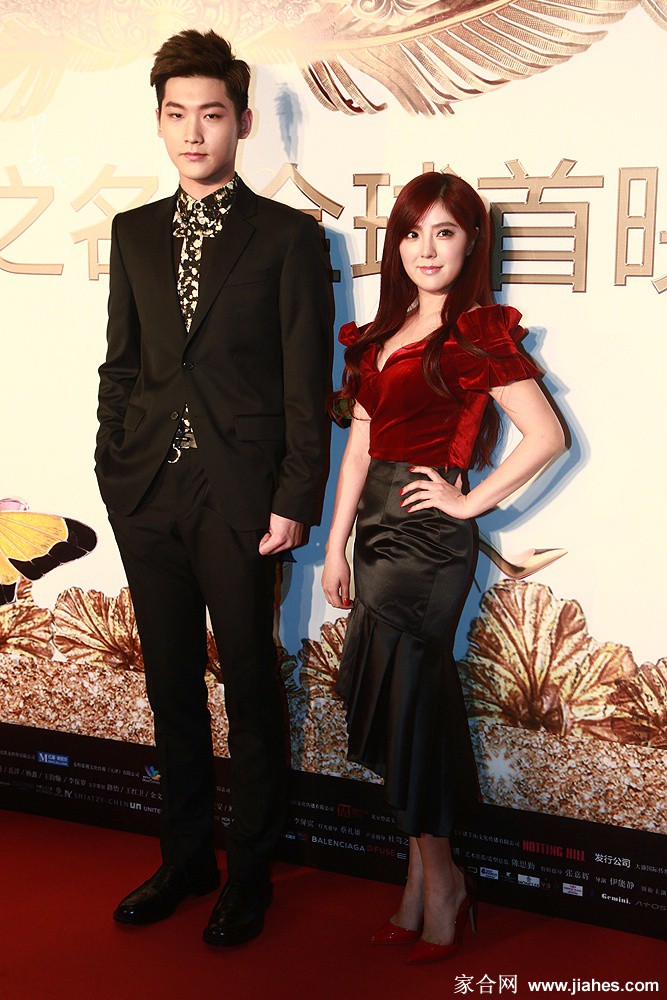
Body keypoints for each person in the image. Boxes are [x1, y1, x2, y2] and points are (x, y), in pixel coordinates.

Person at [95, 29, 332, 946]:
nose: (193, 132)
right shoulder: (132, 232)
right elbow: (122, 365)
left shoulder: (288, 237)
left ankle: (251, 871)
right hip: (148, 493)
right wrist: (114, 468)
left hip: (241, 500)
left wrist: (294, 498)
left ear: (241, 123)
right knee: (169, 687)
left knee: (249, 689)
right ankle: (186, 857)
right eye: (177, 114)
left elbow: (304, 382)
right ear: (159, 123)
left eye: (211, 114)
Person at [322, 171, 564, 964]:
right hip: (374, 534)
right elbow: (359, 446)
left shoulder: (474, 337)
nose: (425, 249)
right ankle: (425, 882)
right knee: (399, 713)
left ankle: (440, 885)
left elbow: (546, 437)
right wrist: (335, 543)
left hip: (427, 546)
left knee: (413, 710)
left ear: (469, 244)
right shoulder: (380, 334)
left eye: (445, 233)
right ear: (395, 244)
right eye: (411, 232)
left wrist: (467, 503)